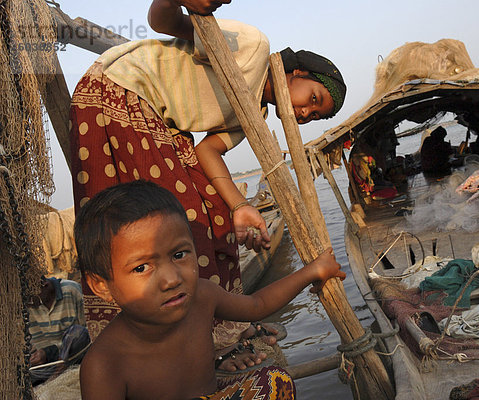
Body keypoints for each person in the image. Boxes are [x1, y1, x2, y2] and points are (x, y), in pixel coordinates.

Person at [69, 0, 346, 362]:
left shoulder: (254, 117)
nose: (305, 112)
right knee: (174, 221)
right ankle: (189, 338)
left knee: (213, 214)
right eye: (313, 98)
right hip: (119, 91)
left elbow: (207, 155)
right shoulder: (253, 47)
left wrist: (241, 207)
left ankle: (216, 329)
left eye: (313, 115)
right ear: (297, 72)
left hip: (160, 121)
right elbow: (162, 20)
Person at [74, 180, 345, 399]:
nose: (171, 279)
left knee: (274, 382)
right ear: (101, 285)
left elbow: (257, 305)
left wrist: (311, 271)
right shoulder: (104, 364)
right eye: (141, 268)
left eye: (179, 255)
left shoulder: (202, 296)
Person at [27, 277, 90, 384]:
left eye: (31, 298)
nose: (28, 303)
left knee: (78, 333)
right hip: (49, 363)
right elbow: (35, 344)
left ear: (45, 285)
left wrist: (49, 353)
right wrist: (36, 357)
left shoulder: (71, 289)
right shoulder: (28, 305)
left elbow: (87, 332)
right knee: (27, 373)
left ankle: (56, 377)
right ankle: (54, 378)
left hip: (74, 355)